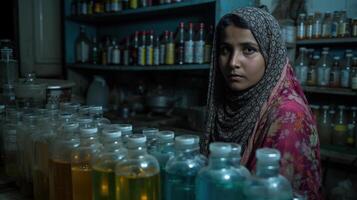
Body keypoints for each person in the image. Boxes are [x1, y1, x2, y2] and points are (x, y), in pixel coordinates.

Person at [200, 7, 322, 200]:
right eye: (225, 50)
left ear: (270, 54)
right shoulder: (227, 103)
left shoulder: (288, 117)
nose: (233, 62)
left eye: (248, 50)